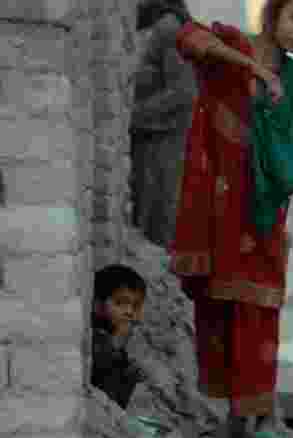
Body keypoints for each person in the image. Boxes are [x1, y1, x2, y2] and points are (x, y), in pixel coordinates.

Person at [170, 0, 293, 438]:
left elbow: (290, 148)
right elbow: (187, 38)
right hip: (213, 205)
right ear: (272, 14)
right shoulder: (229, 45)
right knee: (215, 309)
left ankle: (259, 419)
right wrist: (252, 69)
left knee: (258, 311)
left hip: (261, 209)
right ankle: (229, 422)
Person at [132, 0, 198, 248]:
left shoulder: (168, 28)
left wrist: (131, 116)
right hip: (152, 144)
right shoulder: (156, 26)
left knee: (157, 232)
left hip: (163, 147)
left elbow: (182, 93)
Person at [91, 265, 149, 409]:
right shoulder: (94, 339)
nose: (129, 312)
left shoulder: (116, 343)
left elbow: (116, 405)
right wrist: (116, 344)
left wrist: (129, 378)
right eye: (120, 303)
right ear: (97, 305)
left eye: (135, 305)